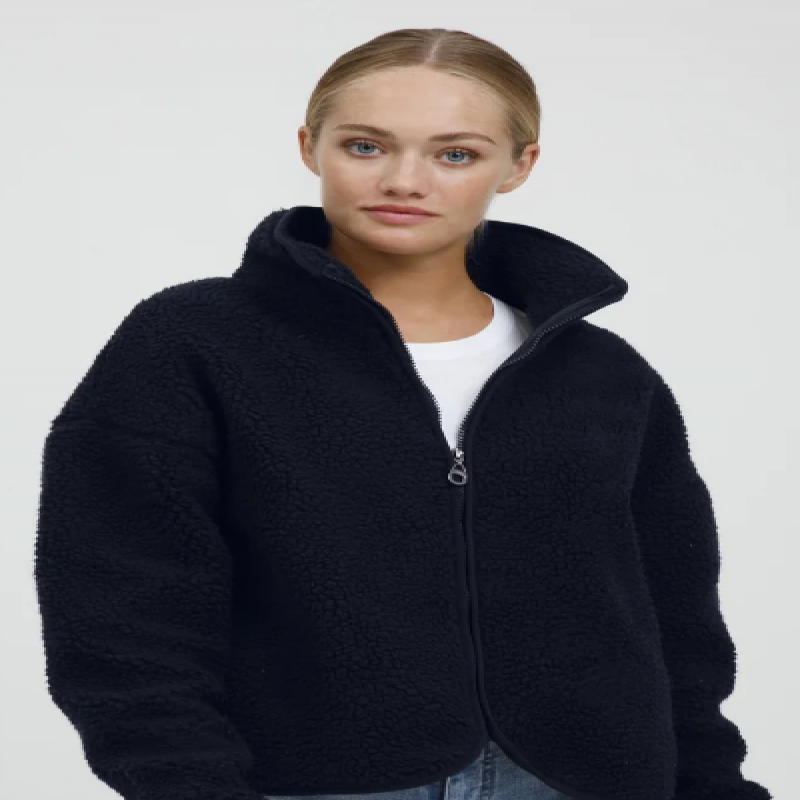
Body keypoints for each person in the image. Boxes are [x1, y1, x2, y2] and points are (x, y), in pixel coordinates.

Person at [33, 26, 771, 800]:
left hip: (583, 781)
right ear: (310, 146)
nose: (404, 181)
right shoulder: (194, 344)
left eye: (455, 154)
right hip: (313, 785)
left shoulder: (603, 374)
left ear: (519, 165)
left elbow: (678, 620)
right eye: (365, 146)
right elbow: (119, 608)